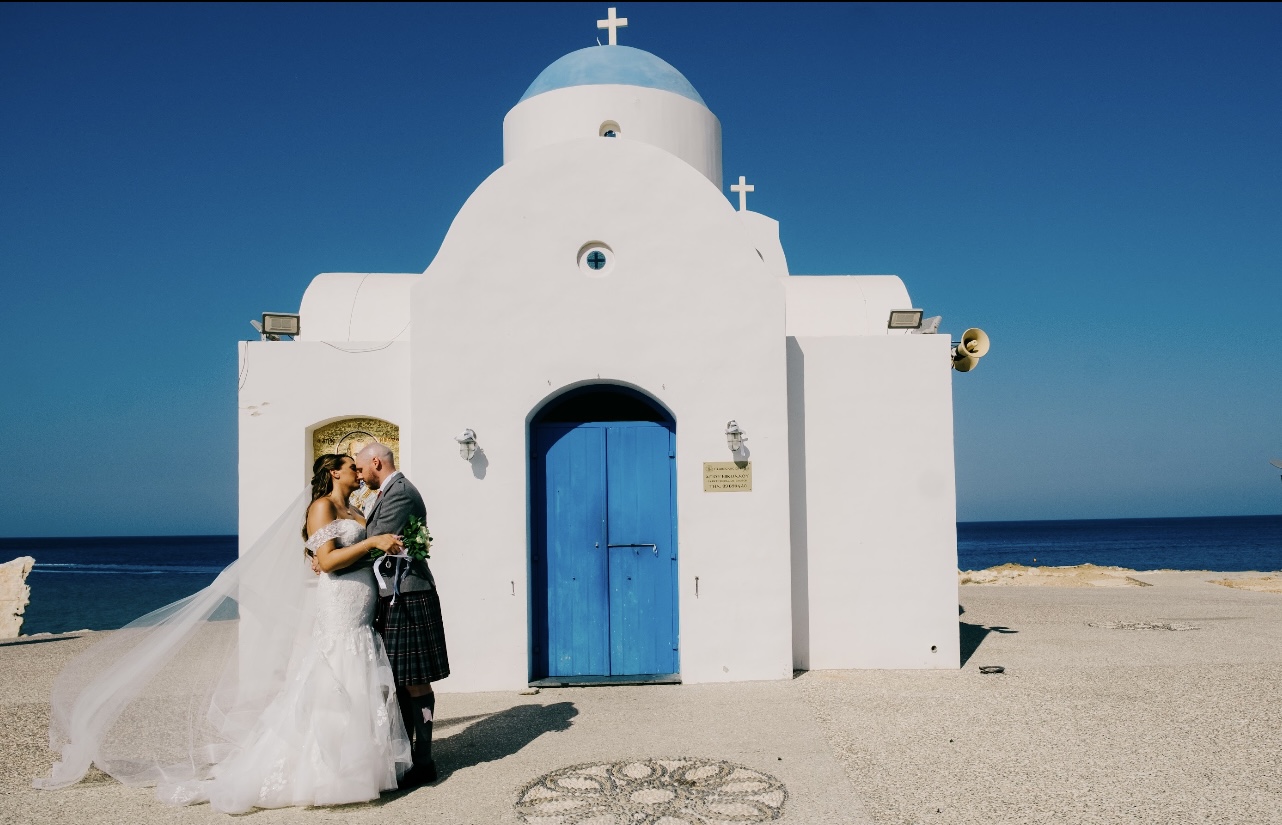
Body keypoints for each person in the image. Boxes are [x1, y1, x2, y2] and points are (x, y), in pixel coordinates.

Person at [35, 454, 412, 813]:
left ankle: (360, 768)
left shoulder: (357, 510)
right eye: (351, 468)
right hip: (338, 604)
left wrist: (376, 549)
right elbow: (329, 561)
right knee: (334, 674)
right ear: (333, 472)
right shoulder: (321, 507)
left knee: (359, 672)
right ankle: (326, 773)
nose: (358, 473)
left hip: (360, 603)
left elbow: (341, 556)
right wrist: (371, 543)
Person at [355, 442, 450, 787]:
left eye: (360, 467)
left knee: (414, 680)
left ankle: (424, 761)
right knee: (397, 680)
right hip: (394, 595)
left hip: (409, 595)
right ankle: (407, 755)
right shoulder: (387, 491)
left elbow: (375, 540)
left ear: (376, 462)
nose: (360, 473)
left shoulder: (401, 493)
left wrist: (334, 556)